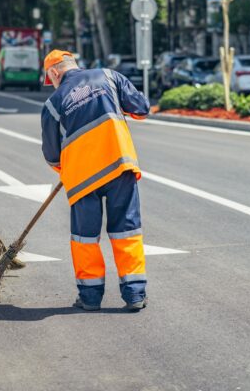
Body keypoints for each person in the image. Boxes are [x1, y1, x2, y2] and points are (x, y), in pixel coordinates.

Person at [40, 50, 150, 311]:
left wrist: (71, 169)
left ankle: (90, 298)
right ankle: (135, 295)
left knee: (84, 238)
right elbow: (142, 109)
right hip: (119, 167)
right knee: (126, 231)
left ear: (54, 72)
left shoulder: (53, 105)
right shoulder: (110, 76)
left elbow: (52, 155)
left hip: (81, 180)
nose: (52, 84)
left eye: (50, 79)